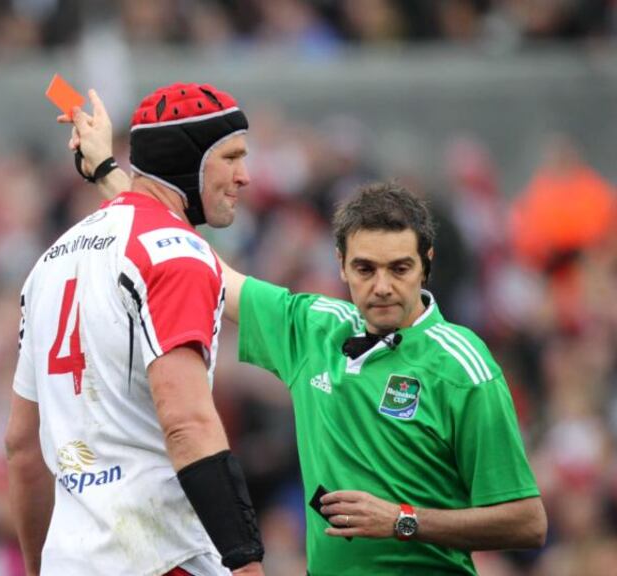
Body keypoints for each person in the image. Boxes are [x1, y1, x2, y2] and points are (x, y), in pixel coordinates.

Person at [69, 92, 547, 576]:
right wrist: (108, 169)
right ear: (340, 265)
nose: (381, 286)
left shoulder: (464, 365)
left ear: (427, 264)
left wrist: (402, 521)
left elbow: (526, 523)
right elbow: (191, 258)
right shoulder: (315, 326)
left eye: (399, 268)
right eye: (365, 268)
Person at [5, 83, 266, 576]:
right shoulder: (178, 252)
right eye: (231, 157)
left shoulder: (49, 262)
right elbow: (188, 425)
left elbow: (21, 446)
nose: (245, 176)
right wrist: (248, 566)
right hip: (162, 555)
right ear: (190, 160)